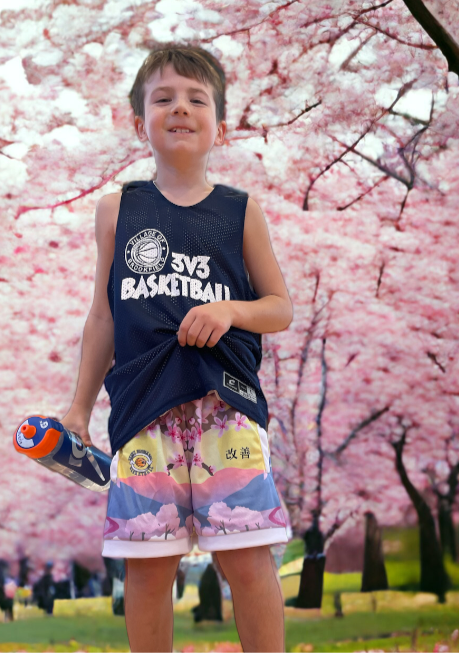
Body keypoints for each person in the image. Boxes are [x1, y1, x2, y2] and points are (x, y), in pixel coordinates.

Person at [61, 45, 292, 652]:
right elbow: (103, 314)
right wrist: (78, 409)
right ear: (140, 122)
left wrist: (230, 311)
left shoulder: (242, 212)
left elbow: (279, 308)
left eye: (197, 99)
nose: (180, 109)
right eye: (163, 98)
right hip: (143, 411)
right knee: (147, 565)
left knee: (246, 558)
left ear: (221, 122)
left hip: (226, 411)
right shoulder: (118, 210)